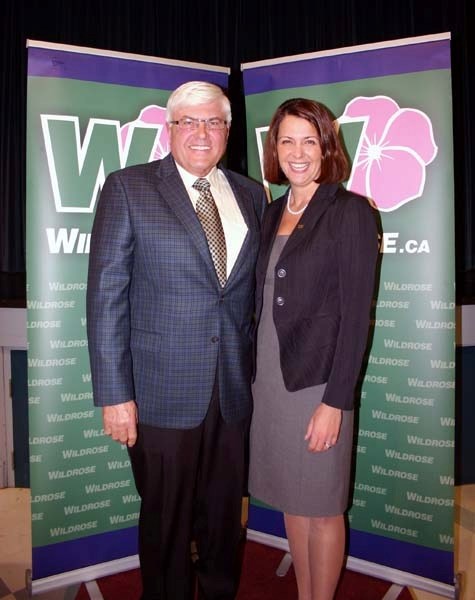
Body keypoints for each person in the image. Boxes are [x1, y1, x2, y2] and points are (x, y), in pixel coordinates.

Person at [86, 81, 266, 600]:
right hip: (161, 393)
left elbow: (245, 296)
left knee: (223, 518)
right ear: (170, 129)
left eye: (213, 122)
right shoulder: (128, 188)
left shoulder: (251, 193)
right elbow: (105, 299)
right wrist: (116, 396)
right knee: (165, 522)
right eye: (189, 121)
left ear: (228, 131)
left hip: (231, 391)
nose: (201, 132)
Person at [248, 98, 379, 600]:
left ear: (327, 148)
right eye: (287, 140)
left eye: (309, 140)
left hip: (318, 382)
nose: (297, 152)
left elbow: (354, 318)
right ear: (274, 148)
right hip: (271, 378)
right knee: (292, 500)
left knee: (322, 506)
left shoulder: (349, 212)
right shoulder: (273, 211)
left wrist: (335, 402)